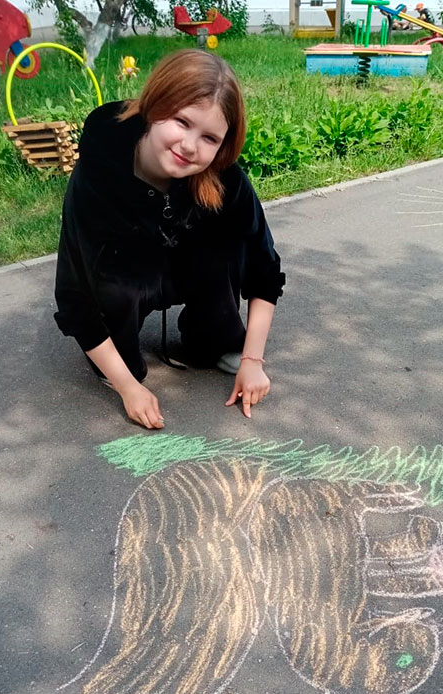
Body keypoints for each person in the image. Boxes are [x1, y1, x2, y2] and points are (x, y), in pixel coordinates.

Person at [54, 50, 285, 430]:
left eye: (209, 137)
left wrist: (252, 360)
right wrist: (128, 388)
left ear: (223, 145)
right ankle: (118, 362)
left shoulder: (224, 178)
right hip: (128, 275)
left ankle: (214, 339)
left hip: (188, 264)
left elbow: (265, 268)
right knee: (114, 296)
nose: (190, 146)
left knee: (228, 247)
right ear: (154, 105)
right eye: (182, 121)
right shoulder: (99, 172)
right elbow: (74, 296)